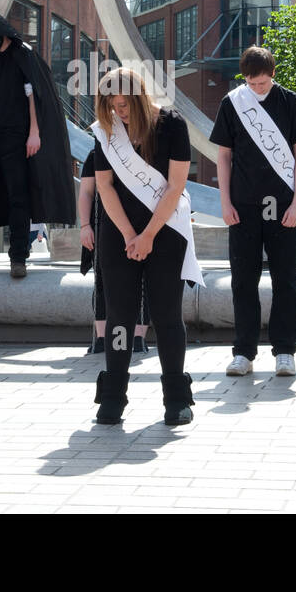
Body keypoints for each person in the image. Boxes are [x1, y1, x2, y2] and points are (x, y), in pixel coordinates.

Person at [89, 67, 202, 426]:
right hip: (119, 234)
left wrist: (149, 235)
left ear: (138, 99)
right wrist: (127, 235)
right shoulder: (107, 131)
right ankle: (112, 396)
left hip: (165, 231)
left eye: (123, 105)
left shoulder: (172, 125)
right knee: (119, 318)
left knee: (167, 316)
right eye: (111, 106)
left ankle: (176, 399)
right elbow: (104, 187)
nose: (118, 113)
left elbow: (175, 186)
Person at [0, 13, 75, 281]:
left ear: (4, 34)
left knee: (19, 198)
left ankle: (18, 258)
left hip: (15, 137)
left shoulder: (24, 56)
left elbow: (34, 95)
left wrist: (34, 132)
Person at [210, 46, 296, 378]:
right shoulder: (232, 103)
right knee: (243, 282)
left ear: (273, 74)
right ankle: (243, 352)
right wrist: (224, 203)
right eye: (253, 84)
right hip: (243, 206)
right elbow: (223, 157)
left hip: (283, 206)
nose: (258, 89)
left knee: (287, 281)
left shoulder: (289, 102)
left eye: (263, 83)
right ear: (245, 78)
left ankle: (284, 351)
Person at [78, 150, 149, 356]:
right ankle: (102, 337)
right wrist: (84, 225)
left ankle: (137, 336)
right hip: (102, 225)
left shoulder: (144, 150)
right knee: (101, 280)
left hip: (139, 226)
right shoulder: (96, 154)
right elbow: (86, 192)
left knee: (141, 279)